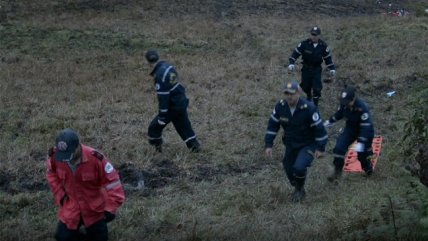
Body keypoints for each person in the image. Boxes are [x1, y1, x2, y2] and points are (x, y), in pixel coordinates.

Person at [46, 128, 125, 241]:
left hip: (95, 211)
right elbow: (51, 174)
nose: (67, 160)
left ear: (78, 146)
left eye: (70, 155)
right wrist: (61, 196)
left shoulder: (96, 159)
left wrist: (109, 209)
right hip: (71, 208)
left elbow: (114, 183)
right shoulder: (57, 156)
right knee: (62, 237)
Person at [264, 80, 328, 202]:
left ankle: (299, 190)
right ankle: (297, 184)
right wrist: (268, 144)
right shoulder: (280, 107)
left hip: (307, 144)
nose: (289, 96)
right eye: (286, 93)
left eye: (292, 93)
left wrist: (321, 148)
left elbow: (319, 129)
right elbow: (272, 126)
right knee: (288, 167)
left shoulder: (309, 108)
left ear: (298, 93)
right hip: (291, 143)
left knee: (299, 167)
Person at [144, 49, 200, 153]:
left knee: (154, 128)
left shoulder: (159, 75)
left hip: (173, 105)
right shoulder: (168, 66)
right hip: (181, 101)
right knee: (184, 126)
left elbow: (163, 97)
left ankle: (157, 151)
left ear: (147, 62)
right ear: (158, 56)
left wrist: (162, 115)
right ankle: (195, 147)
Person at [324, 86, 375, 181]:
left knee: (362, 154)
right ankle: (337, 172)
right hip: (350, 129)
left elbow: (366, 127)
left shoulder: (362, 107)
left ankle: (368, 170)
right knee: (339, 148)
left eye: (348, 103)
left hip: (364, 131)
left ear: (353, 99)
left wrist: (361, 141)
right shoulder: (344, 103)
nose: (346, 104)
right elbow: (339, 113)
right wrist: (329, 121)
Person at [288, 26, 336, 107]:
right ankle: (308, 95)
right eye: (312, 34)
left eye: (315, 35)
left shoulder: (323, 46)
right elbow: (295, 53)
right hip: (306, 69)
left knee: (317, 88)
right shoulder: (304, 44)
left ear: (319, 35)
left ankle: (315, 106)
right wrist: (291, 63)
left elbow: (328, 58)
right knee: (306, 86)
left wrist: (332, 68)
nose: (313, 37)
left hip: (316, 69)